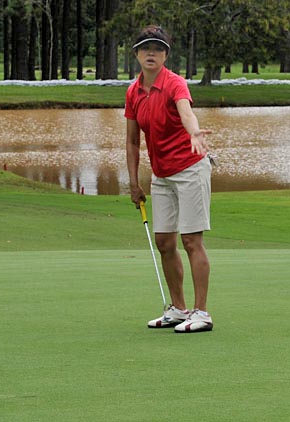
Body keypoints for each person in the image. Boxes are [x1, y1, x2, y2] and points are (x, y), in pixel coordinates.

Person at [125, 25, 213, 333]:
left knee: (191, 240)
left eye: (158, 48)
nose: (152, 53)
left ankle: (201, 312)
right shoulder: (133, 92)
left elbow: (186, 112)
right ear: (136, 53)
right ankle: (178, 309)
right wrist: (134, 182)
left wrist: (194, 133)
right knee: (164, 241)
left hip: (190, 169)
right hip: (162, 175)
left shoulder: (175, 84)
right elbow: (133, 141)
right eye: (146, 47)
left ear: (166, 55)